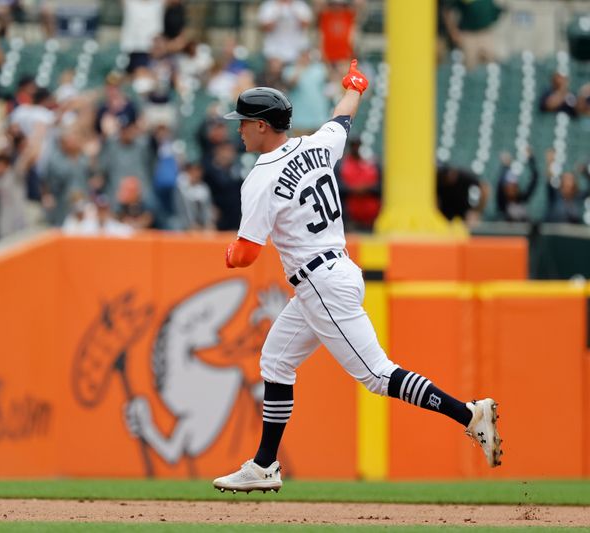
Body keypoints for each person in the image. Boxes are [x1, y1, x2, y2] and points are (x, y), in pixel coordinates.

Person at [209, 63, 501, 493]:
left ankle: (470, 414)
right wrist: (355, 86)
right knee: (275, 361)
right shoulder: (319, 145)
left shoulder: (261, 178)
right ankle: (264, 465)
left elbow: (247, 254)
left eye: (244, 124)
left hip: (320, 283)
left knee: (377, 375)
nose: (239, 132)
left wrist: (230, 256)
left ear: (262, 126)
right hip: (331, 273)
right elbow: (343, 117)